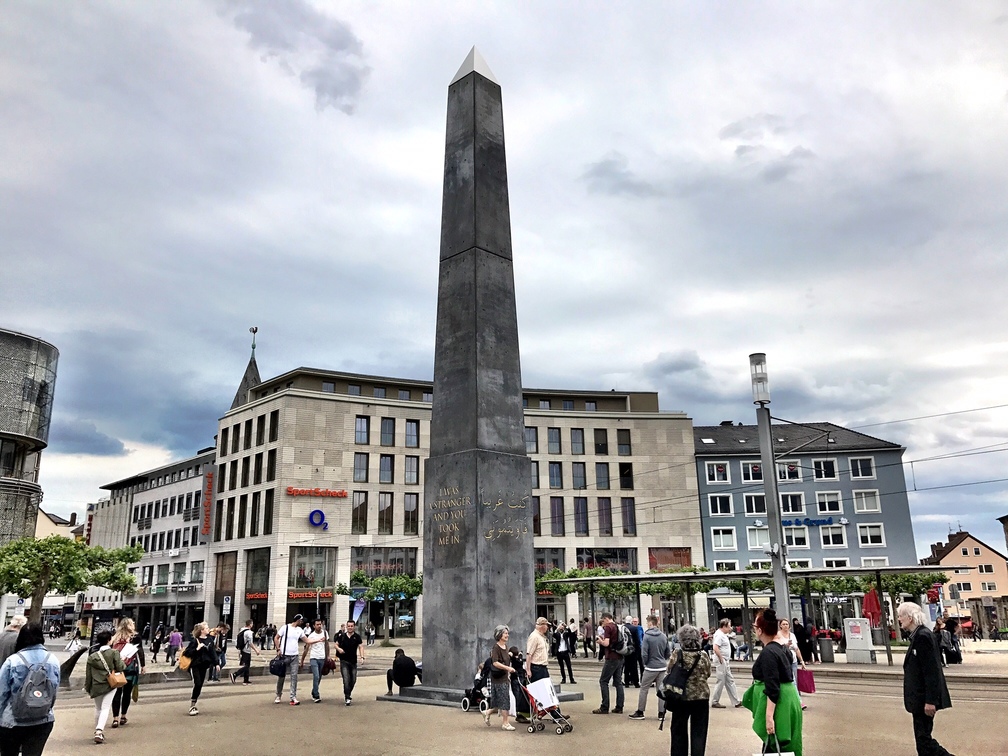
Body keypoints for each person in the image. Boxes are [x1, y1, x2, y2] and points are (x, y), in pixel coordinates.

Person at [743, 609, 803, 756]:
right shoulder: (781, 647)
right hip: (789, 699)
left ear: (760, 630)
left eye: (755, 627)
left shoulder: (769, 652)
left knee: (777, 743)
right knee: (787, 743)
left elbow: (773, 686)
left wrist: (769, 717)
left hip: (781, 702)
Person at [898, 602, 953, 756]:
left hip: (924, 700)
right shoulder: (919, 635)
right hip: (920, 699)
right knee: (923, 741)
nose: (899, 619)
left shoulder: (922, 636)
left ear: (910, 618)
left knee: (924, 741)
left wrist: (930, 701)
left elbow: (932, 671)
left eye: (901, 616)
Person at [0, 621, 60, 755]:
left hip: (12, 721)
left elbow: (2, 694)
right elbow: (54, 691)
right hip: (43, 720)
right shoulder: (53, 661)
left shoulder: (12, 661)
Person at [666, 624, 712, 756]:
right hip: (701, 696)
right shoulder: (703, 655)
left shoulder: (677, 654)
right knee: (699, 731)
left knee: (678, 730)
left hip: (681, 696)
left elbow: (669, 671)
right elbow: (708, 673)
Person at [84, 629, 125, 744]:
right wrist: (124, 661)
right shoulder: (114, 653)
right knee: (105, 708)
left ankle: (98, 730)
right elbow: (121, 667)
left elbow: (88, 674)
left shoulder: (92, 656)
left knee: (98, 708)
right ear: (108, 640)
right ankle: (99, 731)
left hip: (96, 685)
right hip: (110, 684)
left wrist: (88, 687)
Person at [629, 614, 670, 721]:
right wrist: (663, 659)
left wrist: (645, 663)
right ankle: (661, 713)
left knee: (644, 689)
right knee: (660, 690)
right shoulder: (663, 636)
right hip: (661, 667)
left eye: (647, 623)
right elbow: (668, 652)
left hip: (651, 667)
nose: (647, 625)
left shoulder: (647, 636)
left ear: (650, 623)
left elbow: (644, 653)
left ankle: (640, 711)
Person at [109, 618, 145, 729]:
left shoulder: (115, 637)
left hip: (117, 668)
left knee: (116, 693)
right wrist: (143, 666)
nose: (134, 625)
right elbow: (140, 651)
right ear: (129, 625)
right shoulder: (135, 637)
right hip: (130, 668)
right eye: (132, 623)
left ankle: (115, 718)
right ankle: (123, 716)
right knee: (127, 692)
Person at [482, 625, 516, 731]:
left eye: (507, 633)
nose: (507, 635)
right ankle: (505, 723)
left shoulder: (505, 647)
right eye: (505, 633)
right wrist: (508, 668)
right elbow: (495, 662)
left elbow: (506, 659)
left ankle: (487, 712)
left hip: (505, 677)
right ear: (499, 634)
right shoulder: (496, 648)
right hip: (498, 678)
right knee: (505, 700)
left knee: (499, 702)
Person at [182, 622, 218, 716]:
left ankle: (194, 703)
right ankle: (192, 706)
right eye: (206, 628)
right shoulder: (195, 641)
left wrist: (216, 663)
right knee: (197, 683)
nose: (208, 629)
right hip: (195, 665)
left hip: (204, 665)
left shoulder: (210, 640)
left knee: (200, 685)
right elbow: (186, 653)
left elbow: (212, 652)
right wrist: (197, 649)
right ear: (202, 630)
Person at [593, 612, 625, 715]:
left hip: (611, 657)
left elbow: (606, 643)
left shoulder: (608, 628)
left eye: (603, 621)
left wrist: (600, 641)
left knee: (603, 681)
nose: (603, 623)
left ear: (606, 619)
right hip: (620, 656)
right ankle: (619, 707)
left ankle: (604, 707)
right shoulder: (617, 626)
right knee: (618, 682)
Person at [274, 615, 306, 705]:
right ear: (298, 620)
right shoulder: (285, 627)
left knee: (294, 676)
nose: (302, 622)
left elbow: (306, 640)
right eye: (301, 620)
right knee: (281, 676)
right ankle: (278, 695)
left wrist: (317, 640)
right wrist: (278, 649)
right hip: (284, 656)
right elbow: (276, 637)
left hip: (294, 656)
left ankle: (293, 696)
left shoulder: (299, 630)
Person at [710, 618, 742, 709]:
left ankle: (736, 701)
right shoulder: (719, 635)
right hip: (722, 660)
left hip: (724, 660)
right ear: (723, 626)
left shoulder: (722, 634)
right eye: (728, 626)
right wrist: (721, 658)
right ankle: (715, 701)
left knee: (729, 680)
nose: (730, 628)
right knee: (721, 680)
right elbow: (715, 647)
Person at [333, 619, 364, 706]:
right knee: (346, 679)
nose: (350, 628)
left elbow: (361, 647)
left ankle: (348, 692)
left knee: (353, 679)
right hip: (344, 661)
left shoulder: (357, 637)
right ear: (346, 627)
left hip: (353, 662)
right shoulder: (342, 636)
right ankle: (347, 697)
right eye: (348, 626)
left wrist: (362, 657)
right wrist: (339, 649)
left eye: (352, 626)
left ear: (354, 627)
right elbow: (335, 645)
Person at [777, 618, 806, 710]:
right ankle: (799, 702)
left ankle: (793, 700)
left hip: (793, 660)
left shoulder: (792, 635)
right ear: (780, 626)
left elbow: (797, 649)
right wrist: (785, 645)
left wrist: (802, 661)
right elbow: (776, 648)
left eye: (787, 624)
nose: (786, 626)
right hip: (783, 661)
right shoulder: (778, 635)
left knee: (795, 681)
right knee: (792, 681)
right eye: (784, 624)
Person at [300, 619, 329, 703]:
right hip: (314, 658)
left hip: (322, 657)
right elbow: (306, 648)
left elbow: (326, 645)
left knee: (319, 677)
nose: (319, 626)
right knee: (316, 676)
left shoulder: (325, 633)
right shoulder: (311, 636)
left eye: (320, 624)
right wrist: (302, 660)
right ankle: (316, 695)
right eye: (317, 624)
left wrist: (328, 656)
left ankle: (314, 691)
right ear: (314, 626)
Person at [231, 619, 262, 685]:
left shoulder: (241, 630)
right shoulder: (249, 632)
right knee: (246, 666)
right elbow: (250, 643)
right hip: (246, 650)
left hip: (242, 649)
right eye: (252, 624)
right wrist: (256, 650)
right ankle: (235, 674)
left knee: (246, 665)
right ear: (250, 624)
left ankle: (246, 680)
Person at [525, 617, 551, 683]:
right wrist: (528, 670)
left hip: (543, 667)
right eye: (546, 625)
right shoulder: (534, 636)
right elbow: (529, 654)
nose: (547, 627)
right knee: (538, 689)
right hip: (537, 668)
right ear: (542, 626)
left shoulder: (541, 636)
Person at [622, 616, 641, 688]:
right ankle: (636, 682)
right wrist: (638, 649)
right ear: (631, 621)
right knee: (634, 666)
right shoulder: (634, 628)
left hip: (625, 649)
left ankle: (626, 682)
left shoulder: (622, 628)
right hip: (633, 649)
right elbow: (637, 640)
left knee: (626, 666)